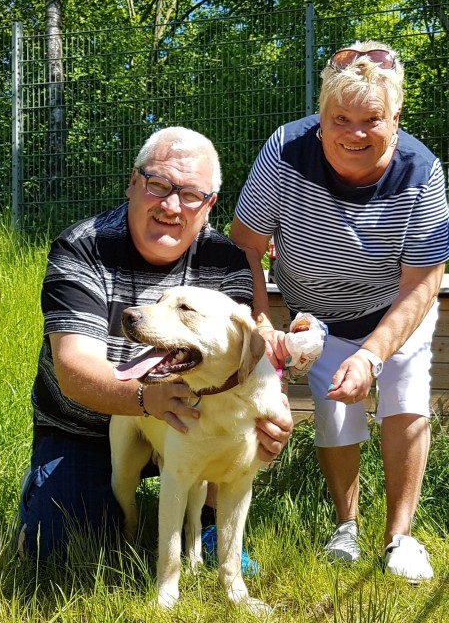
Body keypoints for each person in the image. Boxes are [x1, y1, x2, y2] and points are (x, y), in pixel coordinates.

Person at [229, 41, 449, 583]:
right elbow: (246, 241)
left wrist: (374, 356)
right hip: (315, 313)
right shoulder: (285, 149)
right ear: (321, 117)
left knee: (404, 398)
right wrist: (261, 323)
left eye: (371, 120)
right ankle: (344, 526)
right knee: (334, 415)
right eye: (340, 119)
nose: (354, 133)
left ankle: (400, 537)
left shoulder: (422, 171)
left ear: (395, 118)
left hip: (393, 308)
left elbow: (424, 282)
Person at [19, 125, 294, 560]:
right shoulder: (82, 248)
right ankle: (51, 487)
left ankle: (205, 524)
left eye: (190, 194)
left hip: (201, 420)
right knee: (61, 549)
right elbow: (73, 370)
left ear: (209, 206)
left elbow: (245, 363)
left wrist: (268, 419)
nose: (170, 205)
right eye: (159, 185)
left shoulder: (228, 263)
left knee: (232, 442)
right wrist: (148, 400)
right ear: (133, 182)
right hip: (85, 426)